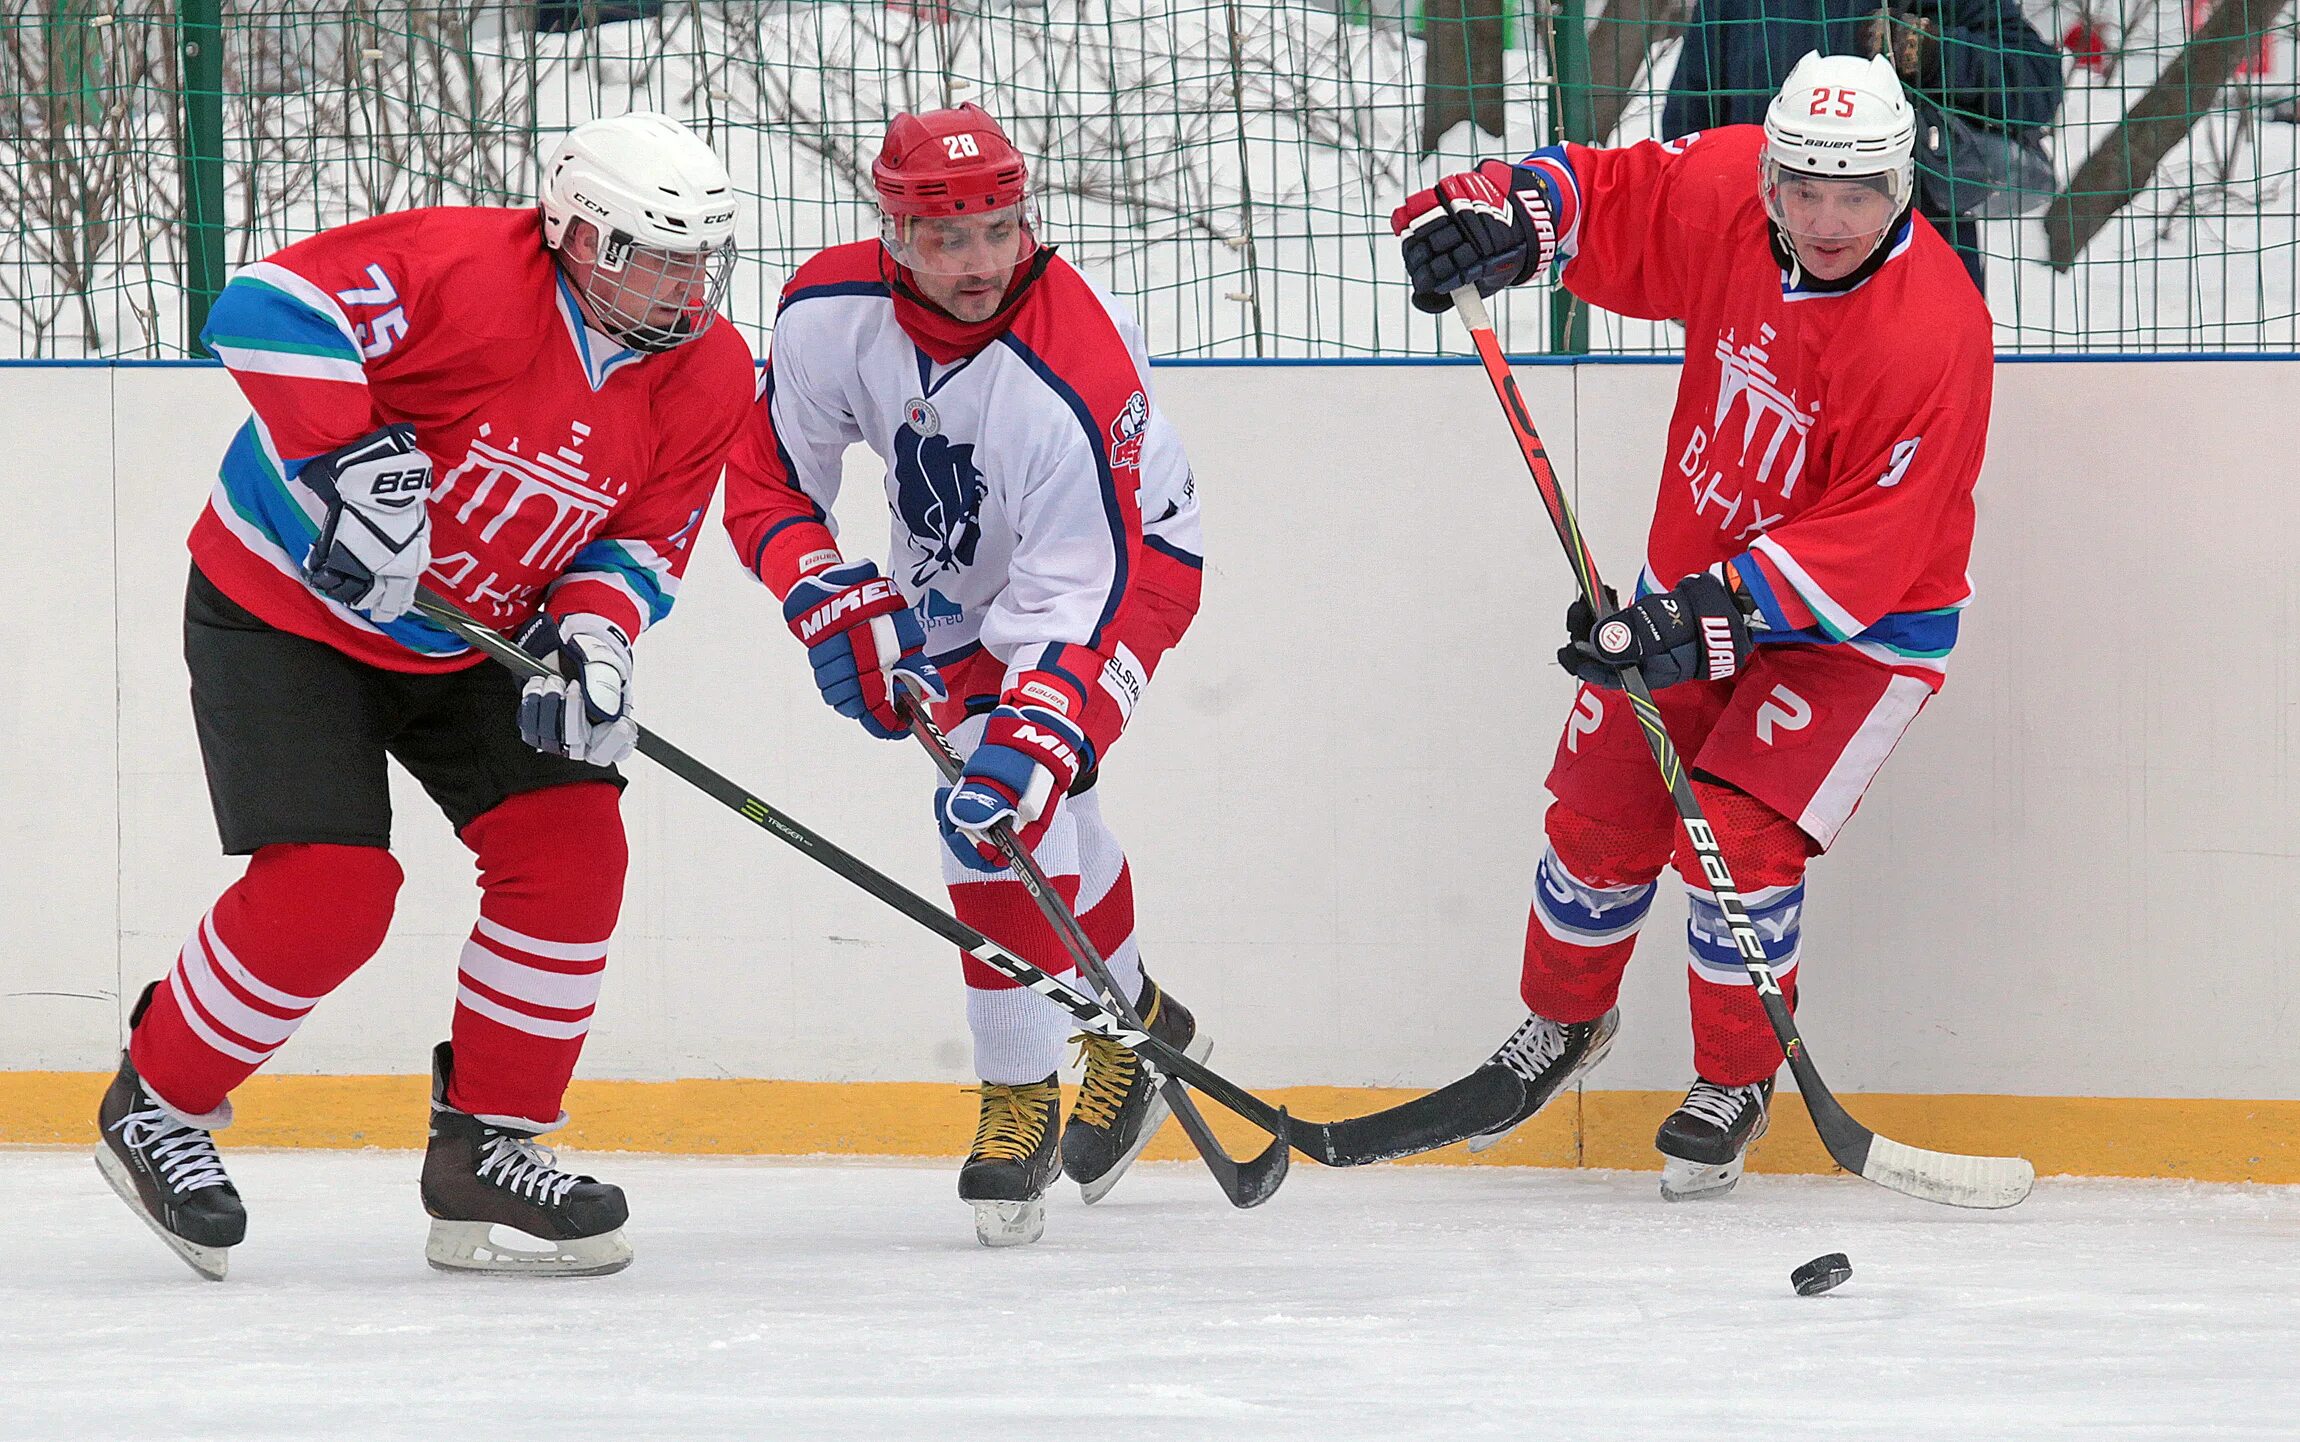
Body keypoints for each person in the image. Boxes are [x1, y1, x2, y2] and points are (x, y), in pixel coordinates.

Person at [94, 112, 756, 1279]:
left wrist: (594, 639)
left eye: (696, 259)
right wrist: (346, 462)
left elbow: (643, 540)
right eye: (648, 256)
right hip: (285, 608)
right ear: (573, 232)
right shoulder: (464, 271)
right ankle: (158, 1097)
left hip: (472, 641)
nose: (677, 287)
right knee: (335, 890)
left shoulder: (708, 372)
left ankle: (484, 1145)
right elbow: (264, 306)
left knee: (573, 844)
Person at [1391, 53, 1991, 1200]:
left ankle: (1734, 1076)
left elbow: (1879, 539)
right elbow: (1596, 194)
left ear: (1901, 183)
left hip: (1854, 636)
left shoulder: (1933, 330)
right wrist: (1493, 227)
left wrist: (1704, 614)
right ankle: (1562, 1023)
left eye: (1854, 192)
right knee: (1599, 809)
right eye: (1801, 188)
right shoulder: (1727, 190)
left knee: (1733, 842)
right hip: (1694, 581)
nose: (1823, 219)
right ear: (1769, 173)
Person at [720, 103, 1206, 1248]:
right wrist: (825, 595)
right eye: (947, 239)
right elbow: (768, 480)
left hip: (1126, 567)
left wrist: (1033, 724)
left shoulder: (1069, 369)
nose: (981, 261)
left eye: (999, 229)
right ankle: (1137, 1022)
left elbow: (1073, 593)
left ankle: (1018, 1092)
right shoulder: (830, 314)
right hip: (957, 580)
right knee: (1050, 810)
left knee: (997, 813)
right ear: (892, 234)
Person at [1660, 0, 2061, 292]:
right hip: (1766, 270)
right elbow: (1691, 127)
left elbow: (2037, 81)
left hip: (1912, 271)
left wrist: (1933, 50)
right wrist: (1695, 260)